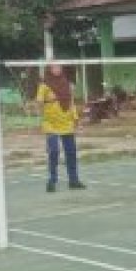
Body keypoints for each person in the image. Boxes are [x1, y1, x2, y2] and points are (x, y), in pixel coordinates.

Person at [36, 65, 85, 193]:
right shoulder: (44, 85)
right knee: (54, 152)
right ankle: (52, 181)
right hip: (51, 124)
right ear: (49, 69)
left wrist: (75, 118)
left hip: (66, 122)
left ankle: (73, 180)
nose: (58, 69)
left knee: (71, 152)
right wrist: (43, 115)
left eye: (59, 67)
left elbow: (71, 102)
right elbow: (40, 102)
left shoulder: (67, 84)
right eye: (55, 67)